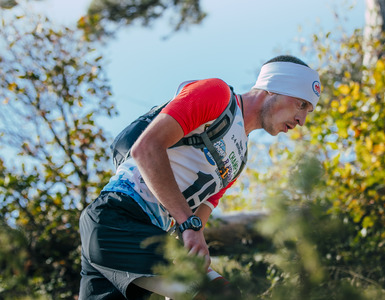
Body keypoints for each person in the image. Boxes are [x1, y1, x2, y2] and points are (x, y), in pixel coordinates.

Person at [78, 55, 321, 299]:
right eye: (301, 104)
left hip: (149, 236)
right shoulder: (217, 94)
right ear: (274, 87)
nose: (302, 120)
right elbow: (146, 148)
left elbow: (195, 226)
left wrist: (189, 247)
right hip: (117, 217)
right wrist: (189, 225)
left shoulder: (239, 159)